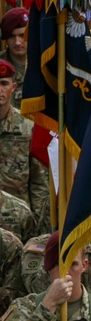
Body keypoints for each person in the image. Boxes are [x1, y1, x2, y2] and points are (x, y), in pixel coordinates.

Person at [0, 58, 32, 210]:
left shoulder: (28, 126)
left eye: (4, 84)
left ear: (13, 87)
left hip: (18, 217)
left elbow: (39, 181)